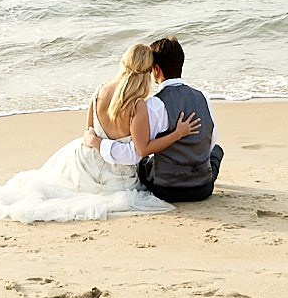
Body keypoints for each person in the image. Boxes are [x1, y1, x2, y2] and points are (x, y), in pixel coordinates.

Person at [0, 40, 196, 222]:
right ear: (149, 70)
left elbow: (88, 132)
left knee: (66, 159)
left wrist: (97, 141)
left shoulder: (99, 91)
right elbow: (141, 150)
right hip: (116, 180)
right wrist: (177, 134)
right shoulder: (137, 105)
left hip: (85, 167)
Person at [88, 35, 222, 202]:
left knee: (145, 162)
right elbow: (210, 140)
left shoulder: (153, 105)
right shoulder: (203, 97)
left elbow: (139, 151)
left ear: (156, 69)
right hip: (202, 189)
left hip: (164, 189)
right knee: (217, 150)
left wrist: (98, 142)